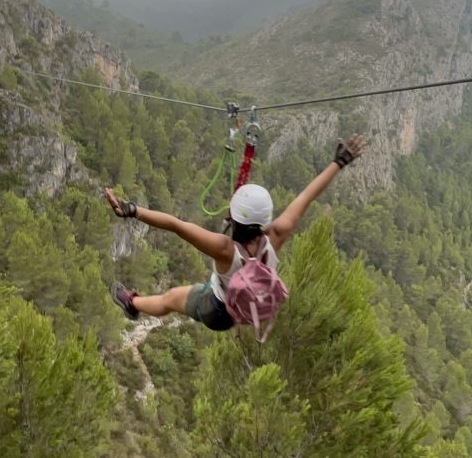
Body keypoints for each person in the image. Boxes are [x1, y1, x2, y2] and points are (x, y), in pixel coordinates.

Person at [106, 134, 365, 331]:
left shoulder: (224, 249)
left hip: (217, 311)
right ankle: (138, 301)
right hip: (249, 308)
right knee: (195, 289)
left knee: (170, 298)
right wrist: (339, 162)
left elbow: (175, 224)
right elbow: (307, 196)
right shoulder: (276, 236)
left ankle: (132, 303)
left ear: (234, 214)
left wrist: (131, 209)